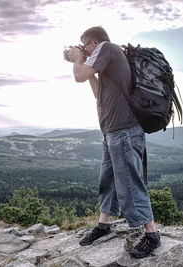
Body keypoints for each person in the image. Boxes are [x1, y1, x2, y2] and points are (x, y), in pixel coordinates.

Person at [65, 26, 161, 258]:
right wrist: (88, 67)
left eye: (84, 46)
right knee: (107, 180)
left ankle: (151, 235)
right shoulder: (106, 60)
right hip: (111, 131)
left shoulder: (107, 48)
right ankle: (103, 224)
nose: (82, 50)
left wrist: (79, 61)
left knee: (129, 182)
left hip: (124, 131)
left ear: (93, 43)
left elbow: (78, 76)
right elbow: (98, 93)